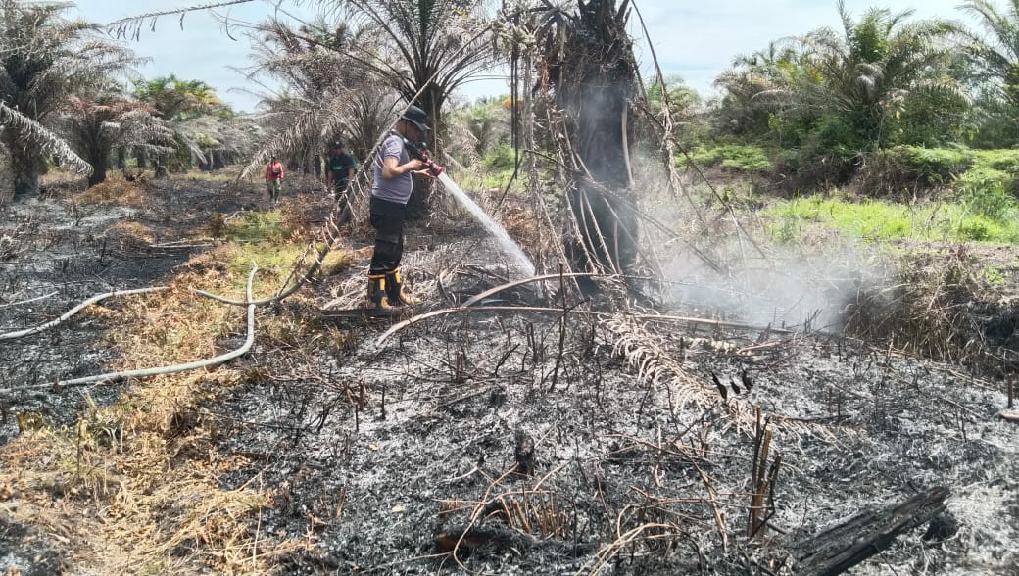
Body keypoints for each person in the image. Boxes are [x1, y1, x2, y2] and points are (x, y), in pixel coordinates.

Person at [366, 105, 435, 311]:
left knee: (394, 250)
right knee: (385, 251)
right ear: (405, 123)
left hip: (393, 206)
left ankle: (395, 294)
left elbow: (394, 172)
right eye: (415, 128)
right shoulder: (395, 142)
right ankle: (376, 300)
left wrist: (415, 173)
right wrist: (411, 166)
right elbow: (388, 172)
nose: (417, 133)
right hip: (386, 206)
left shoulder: (397, 141)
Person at [326, 141, 357, 222]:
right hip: (337, 183)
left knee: (346, 201)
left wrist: (349, 183)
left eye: (339, 148)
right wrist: (329, 184)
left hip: (346, 182)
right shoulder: (332, 160)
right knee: (338, 199)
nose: (338, 150)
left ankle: (348, 220)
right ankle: (341, 218)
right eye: (336, 148)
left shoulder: (347, 158)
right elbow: (330, 173)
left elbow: (351, 170)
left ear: (342, 148)